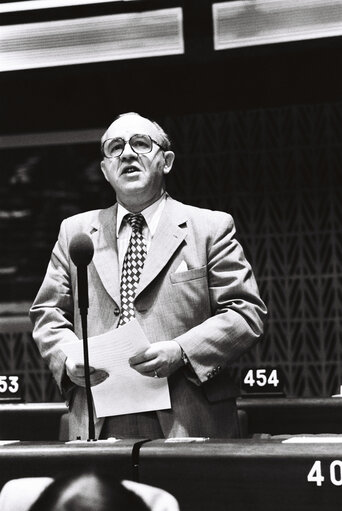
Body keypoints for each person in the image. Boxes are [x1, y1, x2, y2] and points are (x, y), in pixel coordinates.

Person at [30, 112, 267, 440]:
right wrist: (70, 359)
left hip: (188, 417)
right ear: (105, 171)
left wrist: (181, 350)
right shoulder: (75, 233)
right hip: (99, 418)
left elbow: (245, 313)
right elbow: (47, 313)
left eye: (140, 144)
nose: (127, 154)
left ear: (166, 161)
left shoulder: (209, 228)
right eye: (115, 148)